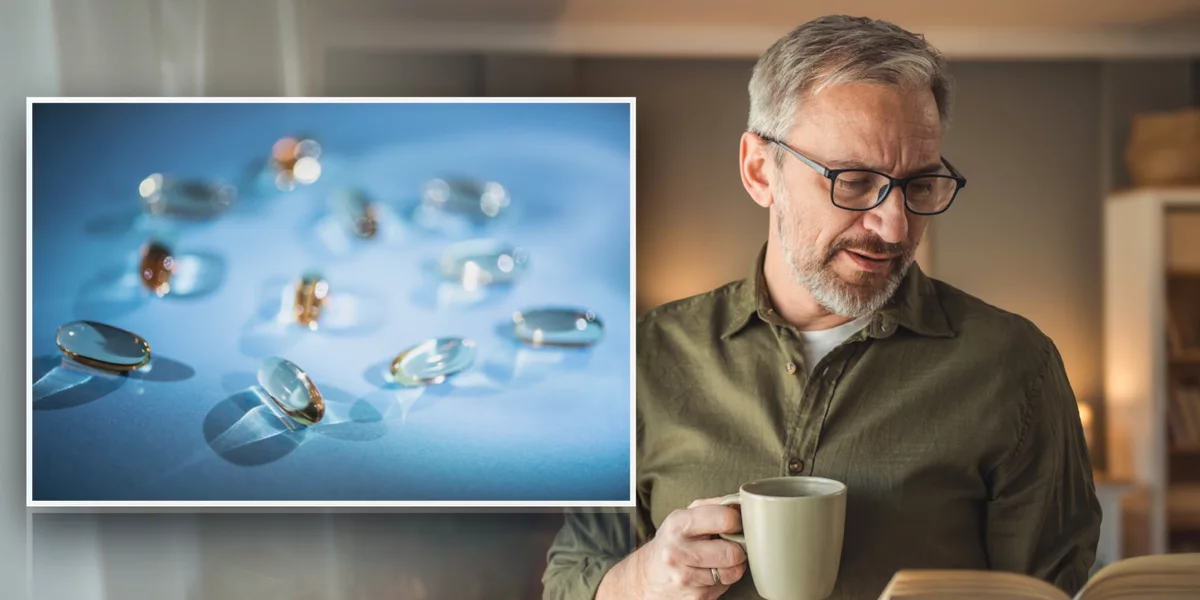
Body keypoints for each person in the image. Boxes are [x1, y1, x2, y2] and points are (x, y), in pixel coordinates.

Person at [542, 14, 1101, 600]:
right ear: (760, 170)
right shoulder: (643, 360)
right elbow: (568, 579)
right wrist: (643, 578)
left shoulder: (1015, 366)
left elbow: (1048, 591)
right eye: (855, 181)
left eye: (918, 183)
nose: (895, 225)